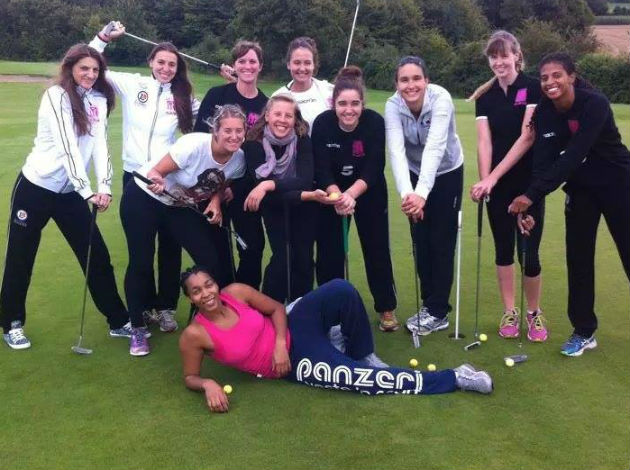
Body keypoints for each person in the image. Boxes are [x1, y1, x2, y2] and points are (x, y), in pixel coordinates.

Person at [178, 265, 493, 412]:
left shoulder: (235, 292)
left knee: (340, 288)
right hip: (294, 365)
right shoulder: (195, 335)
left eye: (209, 284)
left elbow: (276, 309)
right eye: (197, 291)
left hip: (292, 329)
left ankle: (362, 352)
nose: (207, 293)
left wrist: (279, 343)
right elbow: (190, 376)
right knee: (359, 379)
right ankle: (456, 377)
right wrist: (208, 384)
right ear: (190, 299)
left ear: (216, 283)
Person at [1, 44, 130, 350]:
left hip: (70, 193)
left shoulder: (98, 100)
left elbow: (100, 146)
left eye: (96, 70)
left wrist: (105, 186)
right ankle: (11, 323)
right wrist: (88, 191)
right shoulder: (55, 96)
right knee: (20, 257)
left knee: (96, 255)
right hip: (35, 187)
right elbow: (67, 148)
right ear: (70, 67)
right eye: (84, 68)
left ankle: (118, 320)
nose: (90, 74)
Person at [508, 52, 630, 357]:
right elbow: (542, 164)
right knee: (578, 257)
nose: (550, 82)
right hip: (581, 189)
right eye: (544, 77)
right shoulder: (544, 112)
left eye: (557, 75)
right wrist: (530, 206)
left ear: (571, 77)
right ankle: (584, 331)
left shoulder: (595, 104)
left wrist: (530, 196)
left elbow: (574, 155)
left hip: (618, 183)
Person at [90, 21, 200, 333]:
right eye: (161, 62)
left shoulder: (183, 96)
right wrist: (103, 38)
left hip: (168, 181)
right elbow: (92, 65)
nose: (166, 68)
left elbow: (212, 117)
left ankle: (166, 308)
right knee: (141, 251)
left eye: (172, 64)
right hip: (135, 180)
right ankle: (147, 307)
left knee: (170, 248)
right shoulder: (132, 84)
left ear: (177, 68)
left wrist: (233, 80)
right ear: (151, 62)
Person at [120, 105, 247, 356]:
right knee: (141, 262)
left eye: (239, 131)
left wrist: (215, 201)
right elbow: (155, 171)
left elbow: (224, 181)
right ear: (215, 131)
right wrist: (157, 180)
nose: (234, 136)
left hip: (177, 205)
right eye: (227, 131)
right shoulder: (193, 145)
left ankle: (197, 320)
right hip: (144, 198)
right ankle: (137, 326)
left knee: (208, 258)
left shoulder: (239, 158)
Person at [468, 31, 547, 342]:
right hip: (498, 187)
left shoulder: (532, 88)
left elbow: (527, 137)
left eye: (504, 55)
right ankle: (510, 311)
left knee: (529, 253)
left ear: (517, 55)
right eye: (493, 56)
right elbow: (484, 142)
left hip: (528, 185)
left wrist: (492, 177)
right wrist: (485, 181)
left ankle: (534, 313)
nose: (499, 61)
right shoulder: (485, 96)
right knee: (503, 250)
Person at [311, 66, 398, 332]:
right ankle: (331, 307)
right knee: (330, 253)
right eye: (342, 104)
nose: (349, 110)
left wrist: (350, 195)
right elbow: (321, 168)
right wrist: (337, 196)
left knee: (376, 249)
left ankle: (386, 306)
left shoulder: (374, 122)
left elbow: (374, 167)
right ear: (333, 104)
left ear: (362, 104)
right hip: (332, 194)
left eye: (355, 104)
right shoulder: (323, 124)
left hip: (369, 192)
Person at [384, 56, 464, 336]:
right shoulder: (392, 105)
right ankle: (429, 304)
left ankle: (438, 311)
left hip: (447, 172)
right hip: (414, 174)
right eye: (404, 80)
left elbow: (435, 147)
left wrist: (421, 194)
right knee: (421, 240)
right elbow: (396, 151)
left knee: (441, 240)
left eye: (417, 78)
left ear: (426, 80)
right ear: (397, 84)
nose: (411, 85)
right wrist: (409, 196)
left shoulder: (441, 99)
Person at [193, 40, 268, 289]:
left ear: (260, 66)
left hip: (245, 188)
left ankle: (246, 298)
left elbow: (261, 155)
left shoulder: (265, 105)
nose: (247, 66)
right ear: (234, 65)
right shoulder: (217, 95)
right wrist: (216, 186)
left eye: (252, 61)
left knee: (252, 246)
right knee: (216, 248)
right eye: (241, 61)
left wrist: (234, 187)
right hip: (211, 184)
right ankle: (220, 298)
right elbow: (200, 138)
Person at [242, 94, 320, 304]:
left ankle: (299, 307)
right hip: (274, 207)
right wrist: (271, 187)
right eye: (277, 114)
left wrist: (268, 185)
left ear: (295, 119)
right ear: (267, 115)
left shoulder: (302, 139)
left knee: (304, 258)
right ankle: (269, 309)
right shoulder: (253, 143)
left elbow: (305, 180)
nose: (282, 120)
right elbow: (266, 189)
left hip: (304, 206)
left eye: (288, 115)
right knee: (282, 257)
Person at [272, 37, 333, 131]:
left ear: (314, 65)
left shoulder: (329, 91)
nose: (302, 68)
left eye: (307, 63)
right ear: (288, 64)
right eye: (297, 63)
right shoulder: (278, 97)